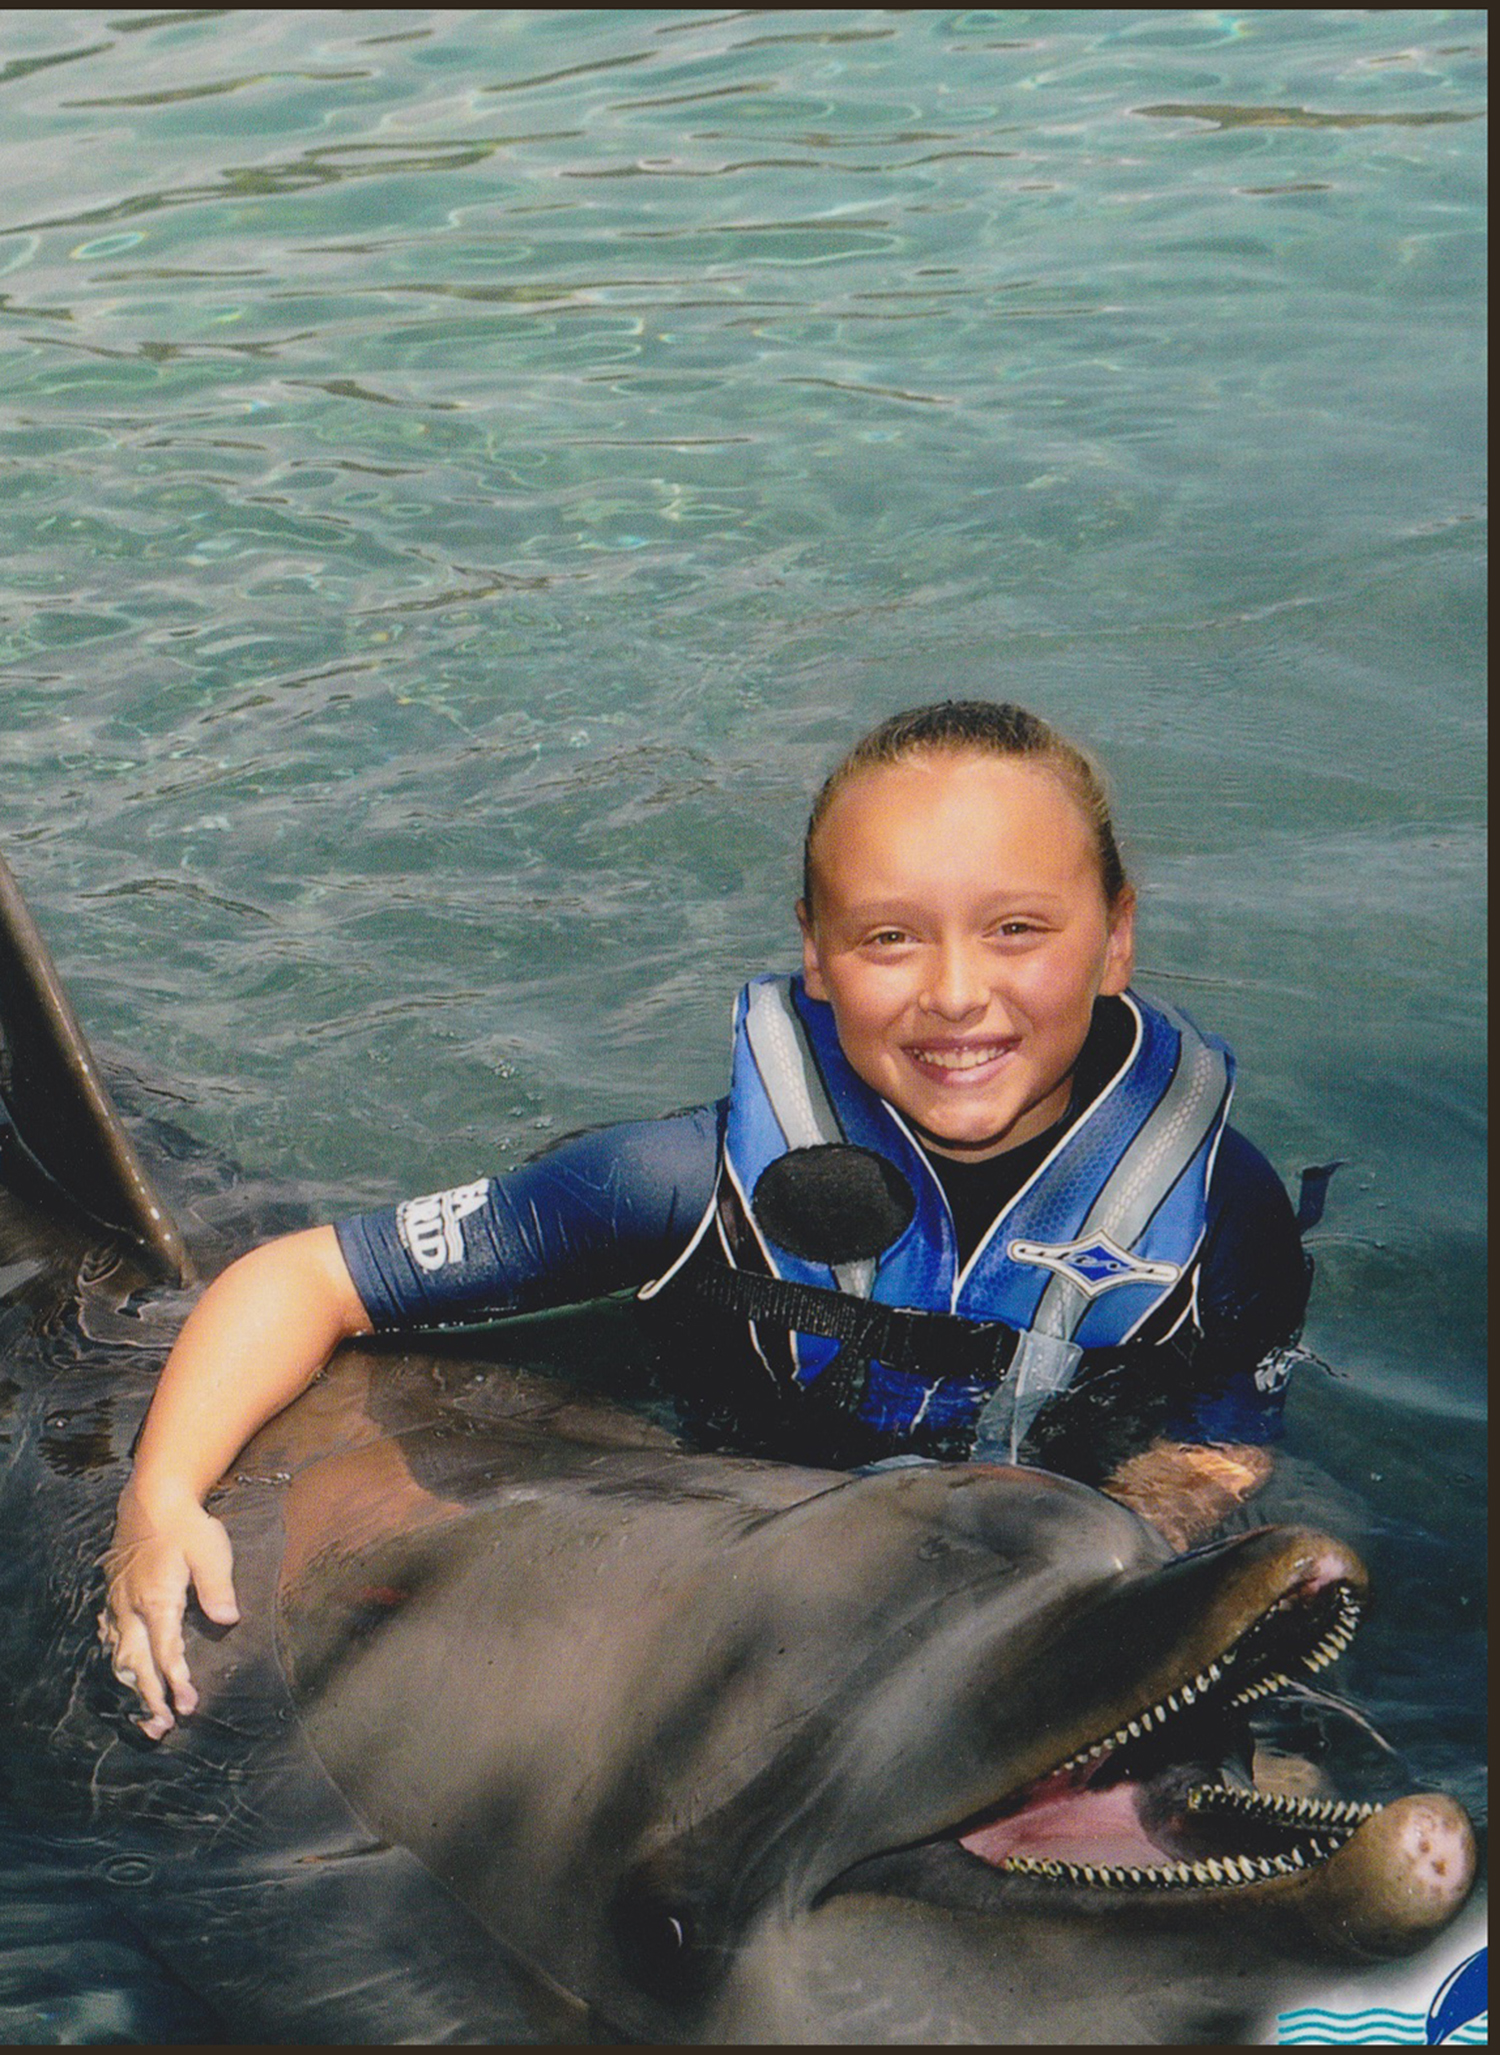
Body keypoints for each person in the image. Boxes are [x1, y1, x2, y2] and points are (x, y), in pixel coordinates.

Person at [101, 700, 1312, 1739]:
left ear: (1116, 937)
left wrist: (1089, 1587)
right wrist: (157, 1505)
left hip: (1022, 1564)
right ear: (818, 956)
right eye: (890, 936)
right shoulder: (671, 1184)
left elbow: (1224, 1435)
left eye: (1018, 928)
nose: (955, 992)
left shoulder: (1220, 1211)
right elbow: (302, 1281)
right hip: (723, 1560)